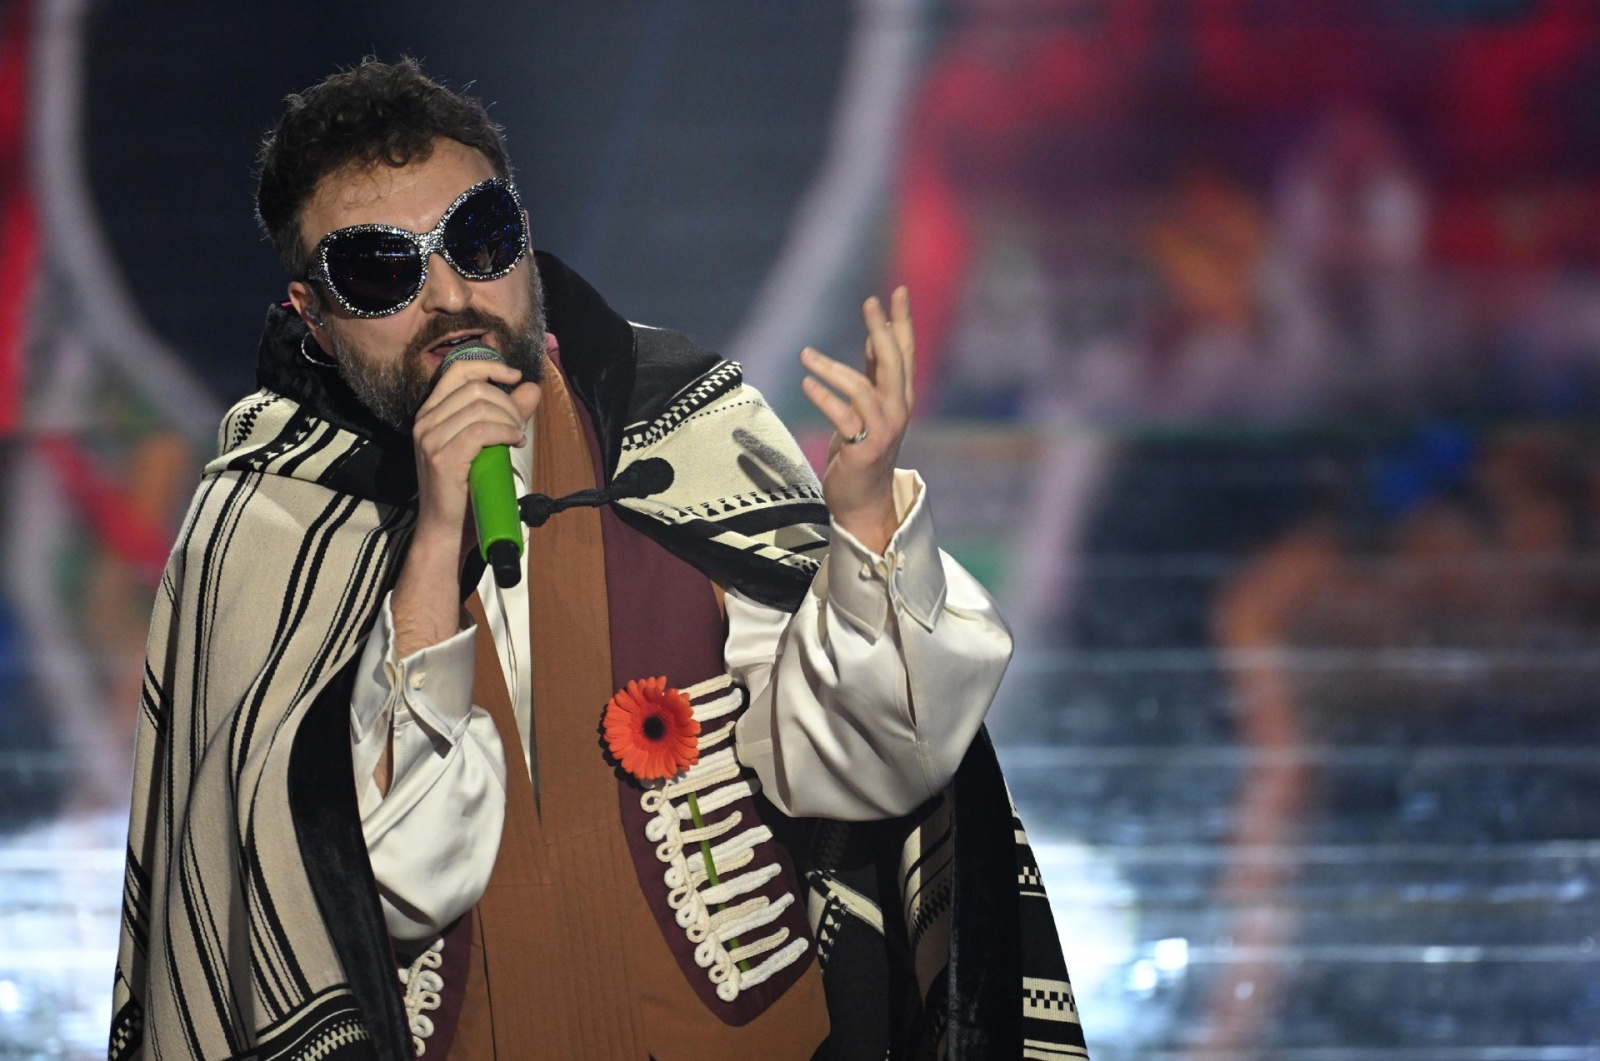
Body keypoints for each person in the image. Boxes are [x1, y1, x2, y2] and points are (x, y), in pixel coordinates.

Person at [110, 58, 1086, 1060]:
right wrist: (438, 539)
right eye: (379, 269)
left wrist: (867, 517)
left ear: (523, 236)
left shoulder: (683, 422)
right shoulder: (265, 520)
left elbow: (868, 762)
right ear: (313, 316)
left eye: (478, 238)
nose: (451, 297)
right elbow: (384, 882)